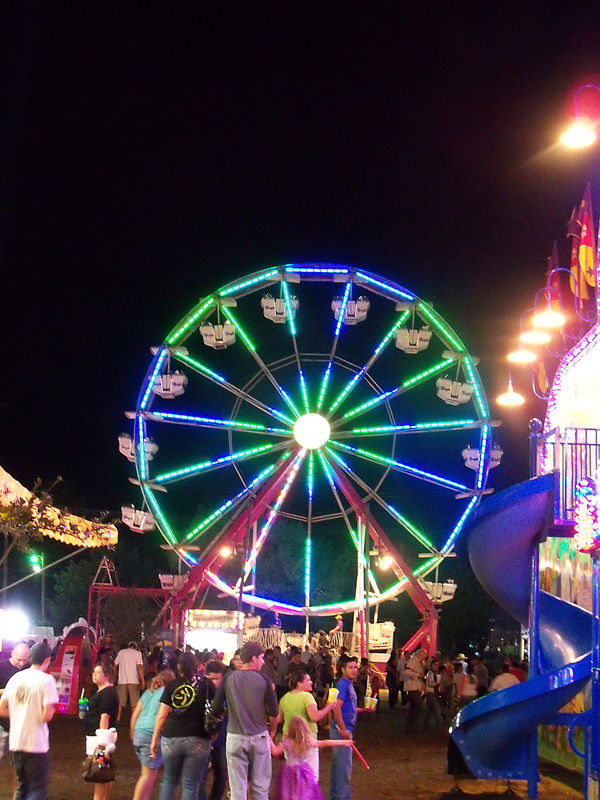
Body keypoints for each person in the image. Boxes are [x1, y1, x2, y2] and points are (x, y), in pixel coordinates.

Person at [211, 641, 278, 800]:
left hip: (235, 737)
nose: (263, 661)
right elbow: (274, 712)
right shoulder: (264, 680)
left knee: (237, 789)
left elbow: (215, 709)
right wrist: (273, 731)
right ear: (253, 658)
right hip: (259, 737)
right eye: (261, 658)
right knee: (260, 788)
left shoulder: (228, 679)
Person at [0, 641, 58, 800]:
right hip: (36, 744)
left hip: (16, 742)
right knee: (37, 789)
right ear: (47, 660)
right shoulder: (47, 681)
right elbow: (47, 716)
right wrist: (50, 709)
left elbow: (1, 708)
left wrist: (20, 713)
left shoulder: (16, 678)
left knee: (22, 786)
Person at [150, 653, 212, 800]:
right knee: (191, 785)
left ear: (179, 667)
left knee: (169, 782)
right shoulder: (206, 684)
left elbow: (162, 714)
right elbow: (218, 709)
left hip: (171, 737)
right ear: (196, 666)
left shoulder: (172, 685)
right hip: (198, 737)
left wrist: (154, 739)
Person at [276, 665, 337, 779]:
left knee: (294, 775)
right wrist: (329, 707)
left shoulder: (285, 698)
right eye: (308, 680)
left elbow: (279, 719)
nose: (311, 682)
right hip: (305, 740)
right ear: (299, 683)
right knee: (311, 776)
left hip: (289, 740)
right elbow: (314, 717)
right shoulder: (307, 697)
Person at [271, 715, 353, 800]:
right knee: (305, 793)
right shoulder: (308, 742)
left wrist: (268, 739)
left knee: (288, 793)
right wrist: (343, 742)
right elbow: (326, 742)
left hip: (288, 772)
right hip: (303, 772)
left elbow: (275, 752)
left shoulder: (287, 742)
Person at [329, 655, 371, 800]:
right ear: (343, 669)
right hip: (342, 730)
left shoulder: (348, 684)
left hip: (343, 729)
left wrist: (362, 710)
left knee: (338, 768)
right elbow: (336, 708)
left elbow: (347, 707)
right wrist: (343, 729)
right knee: (343, 768)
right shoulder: (342, 684)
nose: (354, 670)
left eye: (355, 667)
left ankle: (335, 796)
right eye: (350, 668)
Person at [130, 668, 175, 800]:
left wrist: (133, 733)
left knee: (148, 773)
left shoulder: (148, 693)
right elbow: (163, 715)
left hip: (139, 733)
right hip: (150, 735)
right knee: (147, 775)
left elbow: (135, 714)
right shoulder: (167, 693)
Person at [84, 662, 120, 800]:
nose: (94, 674)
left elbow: (105, 716)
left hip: (99, 738)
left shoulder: (107, 692)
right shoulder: (104, 691)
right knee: (104, 771)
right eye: (94, 672)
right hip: (98, 736)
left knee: (99, 771)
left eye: (98, 672)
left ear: (107, 676)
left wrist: (102, 742)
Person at [199, 661, 227, 800]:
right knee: (200, 779)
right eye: (212, 678)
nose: (215, 682)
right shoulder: (199, 692)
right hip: (202, 741)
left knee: (222, 776)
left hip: (219, 743)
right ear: (206, 676)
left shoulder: (225, 693)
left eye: (218, 679)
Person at [0, 642, 30, 760]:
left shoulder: (28, 669)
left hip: (19, 721)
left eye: (25, 660)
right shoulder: (1, 667)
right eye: (19, 660)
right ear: (12, 654)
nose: (22, 663)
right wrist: (9, 691)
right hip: (2, 719)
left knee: (19, 762)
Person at [114, 641, 145, 718]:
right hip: (134, 681)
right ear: (135, 647)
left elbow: (115, 665)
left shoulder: (121, 652)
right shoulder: (138, 653)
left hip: (122, 681)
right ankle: (134, 721)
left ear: (128, 646)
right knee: (134, 704)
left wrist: (115, 676)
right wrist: (143, 680)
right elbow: (139, 668)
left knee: (120, 704)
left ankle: (117, 720)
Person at [404, 649, 427, 729]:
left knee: (413, 707)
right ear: (420, 655)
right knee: (418, 706)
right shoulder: (413, 661)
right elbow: (406, 672)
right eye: (423, 657)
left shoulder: (416, 662)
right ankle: (411, 725)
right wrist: (418, 675)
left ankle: (410, 725)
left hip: (414, 687)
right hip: (412, 687)